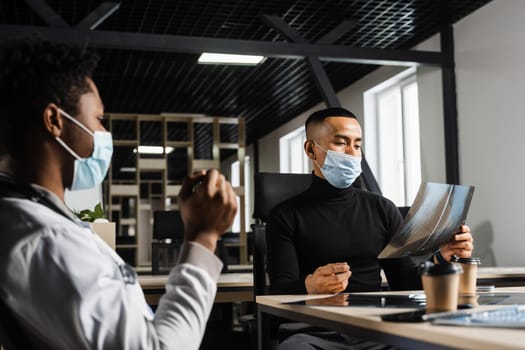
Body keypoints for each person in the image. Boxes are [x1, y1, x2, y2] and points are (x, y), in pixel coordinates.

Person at [0, 38, 237, 350]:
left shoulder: (29, 217)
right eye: (98, 118)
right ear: (55, 120)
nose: (104, 134)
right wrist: (203, 236)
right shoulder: (46, 238)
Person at [266, 107, 473, 349]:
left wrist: (442, 258)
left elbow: (404, 283)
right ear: (311, 149)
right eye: (340, 143)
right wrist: (309, 285)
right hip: (315, 332)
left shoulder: (383, 209)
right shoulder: (285, 215)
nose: (351, 153)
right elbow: (279, 290)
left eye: (356, 145)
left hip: (375, 328)